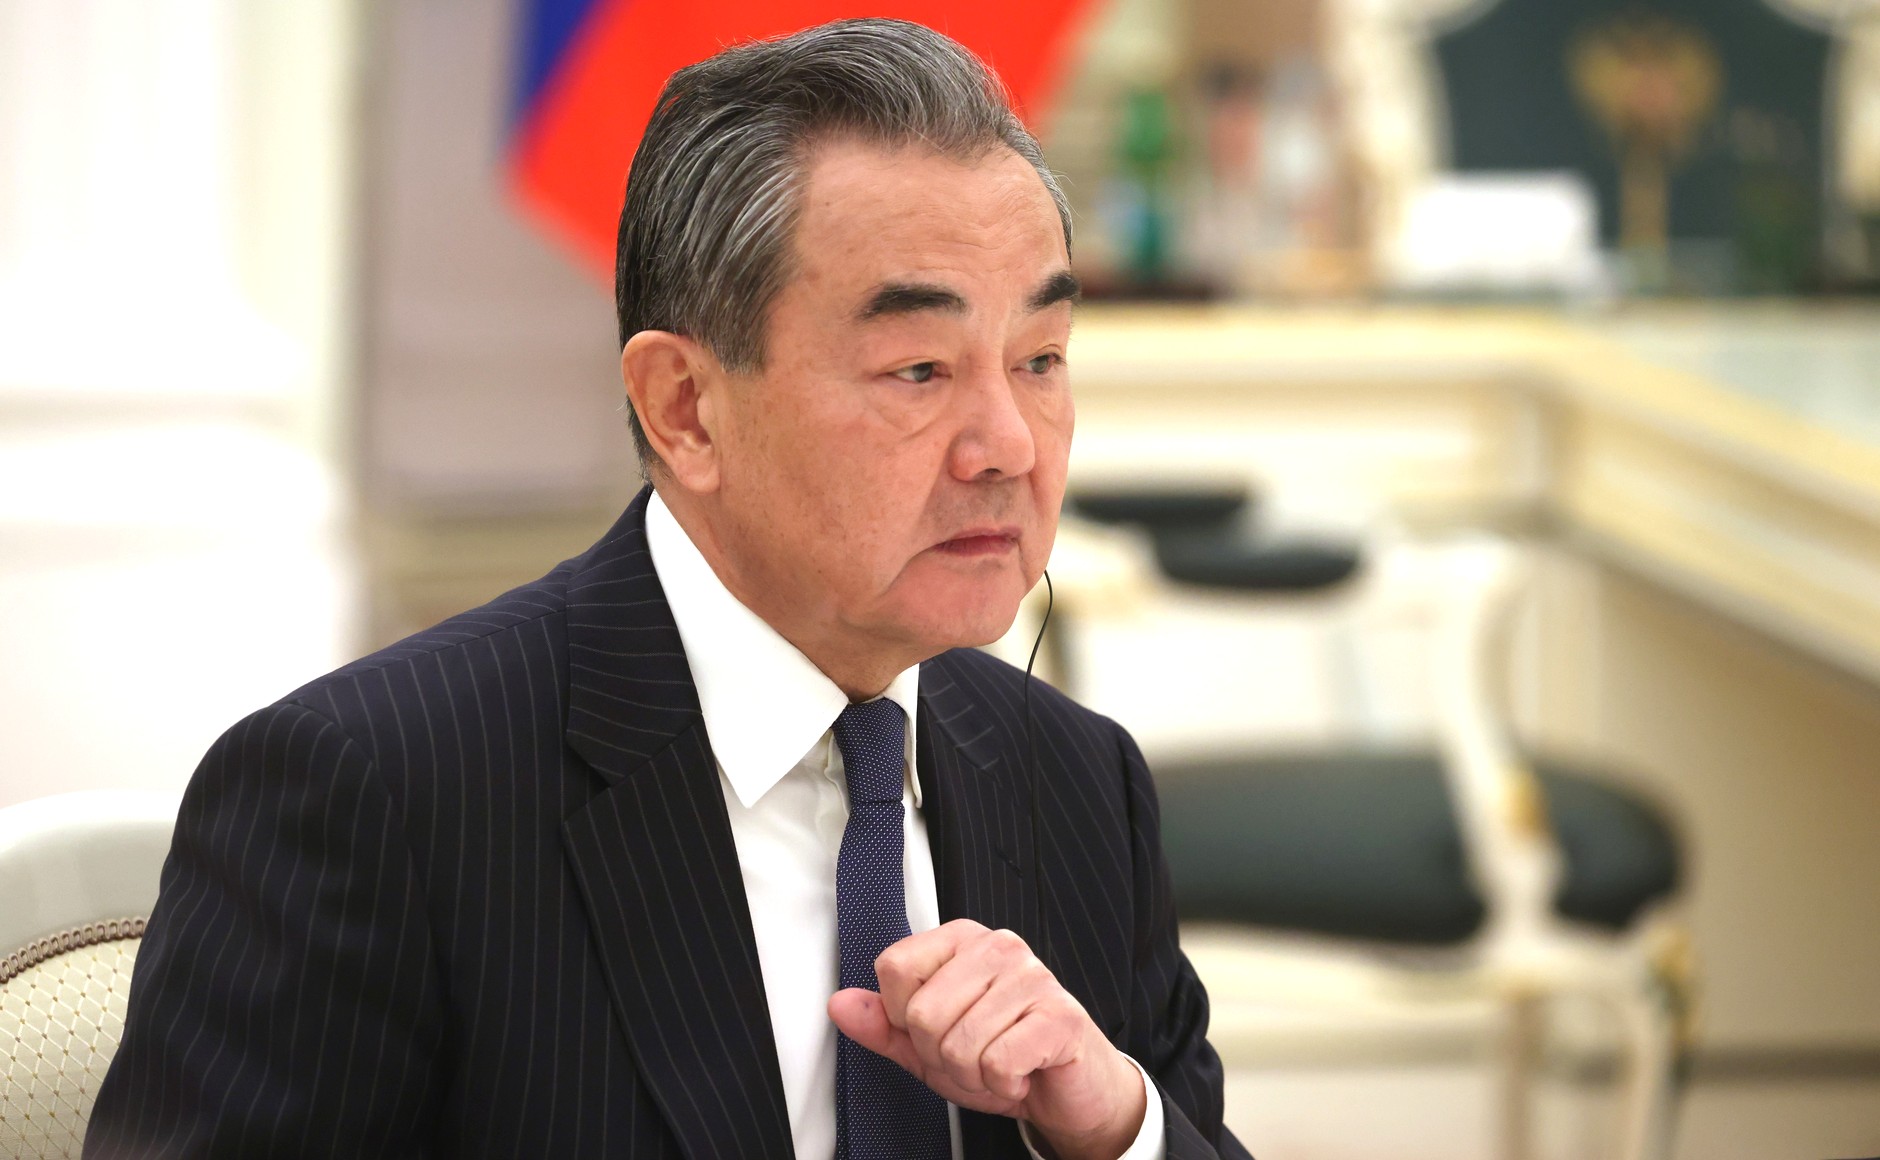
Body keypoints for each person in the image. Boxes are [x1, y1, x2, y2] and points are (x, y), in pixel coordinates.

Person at [86, 18, 1250, 1160]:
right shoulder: (373, 792)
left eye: (1039, 358)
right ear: (685, 408)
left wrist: (1114, 1126)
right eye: (918, 369)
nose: (1009, 443)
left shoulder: (1076, 781)